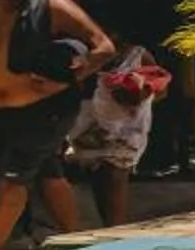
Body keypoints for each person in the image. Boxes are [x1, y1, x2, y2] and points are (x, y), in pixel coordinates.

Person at [0, 0, 113, 250]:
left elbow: (104, 48)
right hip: (9, 112)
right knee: (49, 173)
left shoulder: (52, 6)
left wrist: (69, 77)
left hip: (48, 110)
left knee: (13, 177)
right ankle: (79, 241)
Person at [65, 45, 171, 225]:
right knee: (98, 179)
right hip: (91, 125)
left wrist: (137, 92)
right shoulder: (84, 51)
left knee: (115, 178)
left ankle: (116, 232)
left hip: (125, 129)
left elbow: (160, 89)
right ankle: (109, 230)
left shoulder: (137, 55)